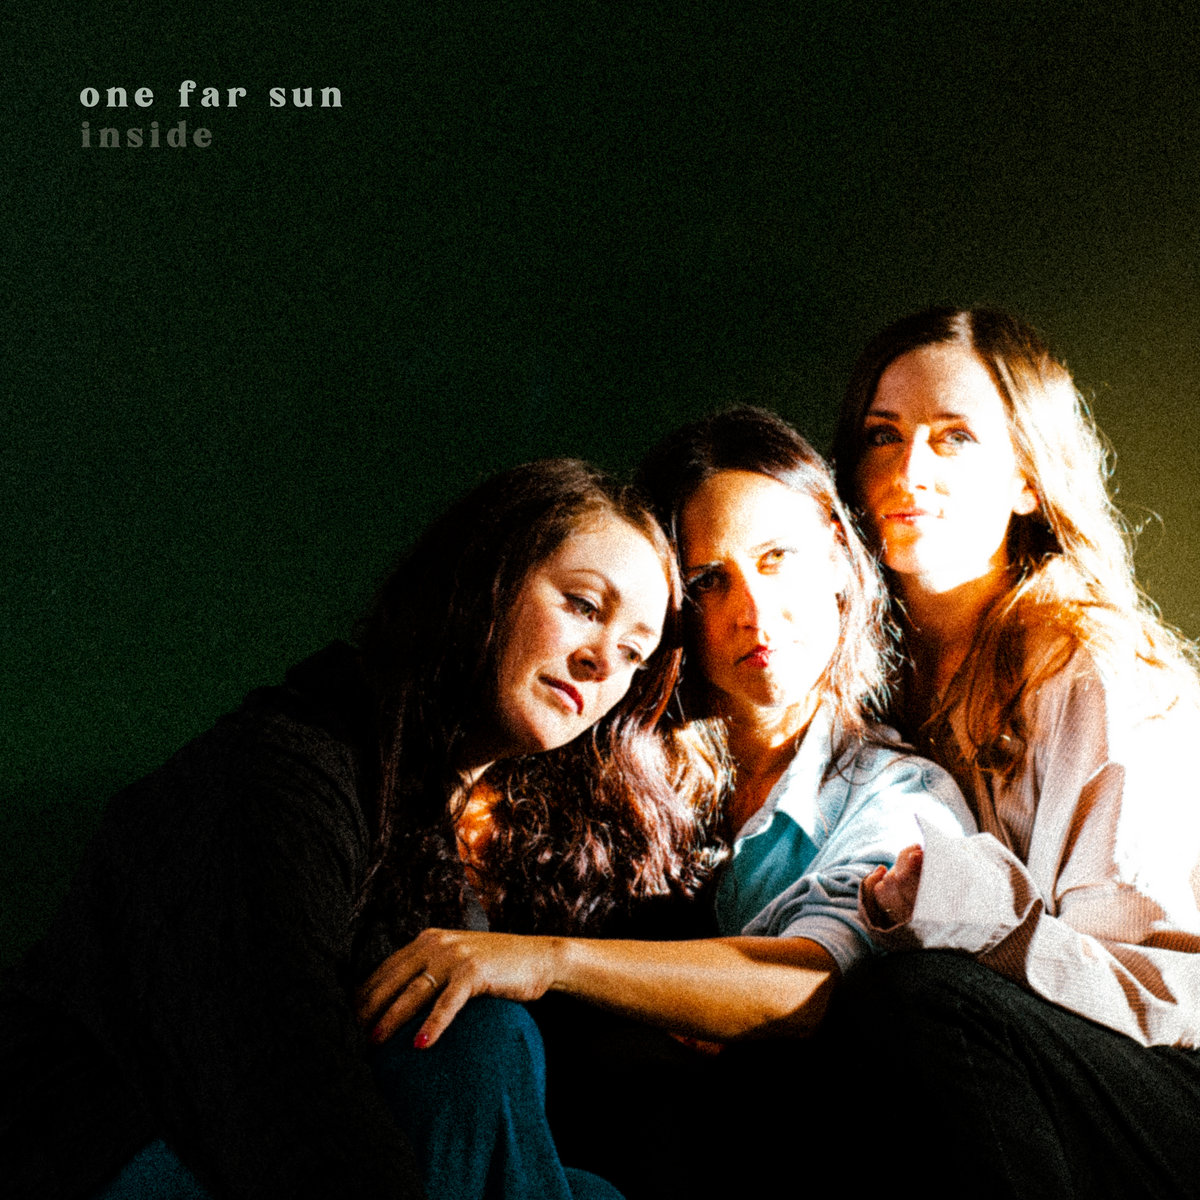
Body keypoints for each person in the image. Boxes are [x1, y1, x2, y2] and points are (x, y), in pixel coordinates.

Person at [0, 458, 712, 1200]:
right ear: (486, 582)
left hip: (281, 1140)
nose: (601, 663)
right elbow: (282, 1084)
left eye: (634, 652)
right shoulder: (278, 773)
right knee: (480, 1043)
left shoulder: (456, 826)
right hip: (118, 1153)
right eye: (584, 605)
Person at [358, 408, 973, 1195]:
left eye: (777, 559)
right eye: (710, 581)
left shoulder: (896, 794)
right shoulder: (590, 745)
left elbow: (812, 985)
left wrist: (553, 962)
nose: (752, 611)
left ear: (837, 558)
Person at [831, 306, 1200, 1198]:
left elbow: (1160, 997)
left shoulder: (1093, 667)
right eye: (883, 436)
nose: (908, 472)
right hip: (1001, 1080)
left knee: (918, 1000)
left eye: (955, 438)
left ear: (1027, 479)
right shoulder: (859, 680)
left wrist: (955, 905)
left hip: (1170, 1076)